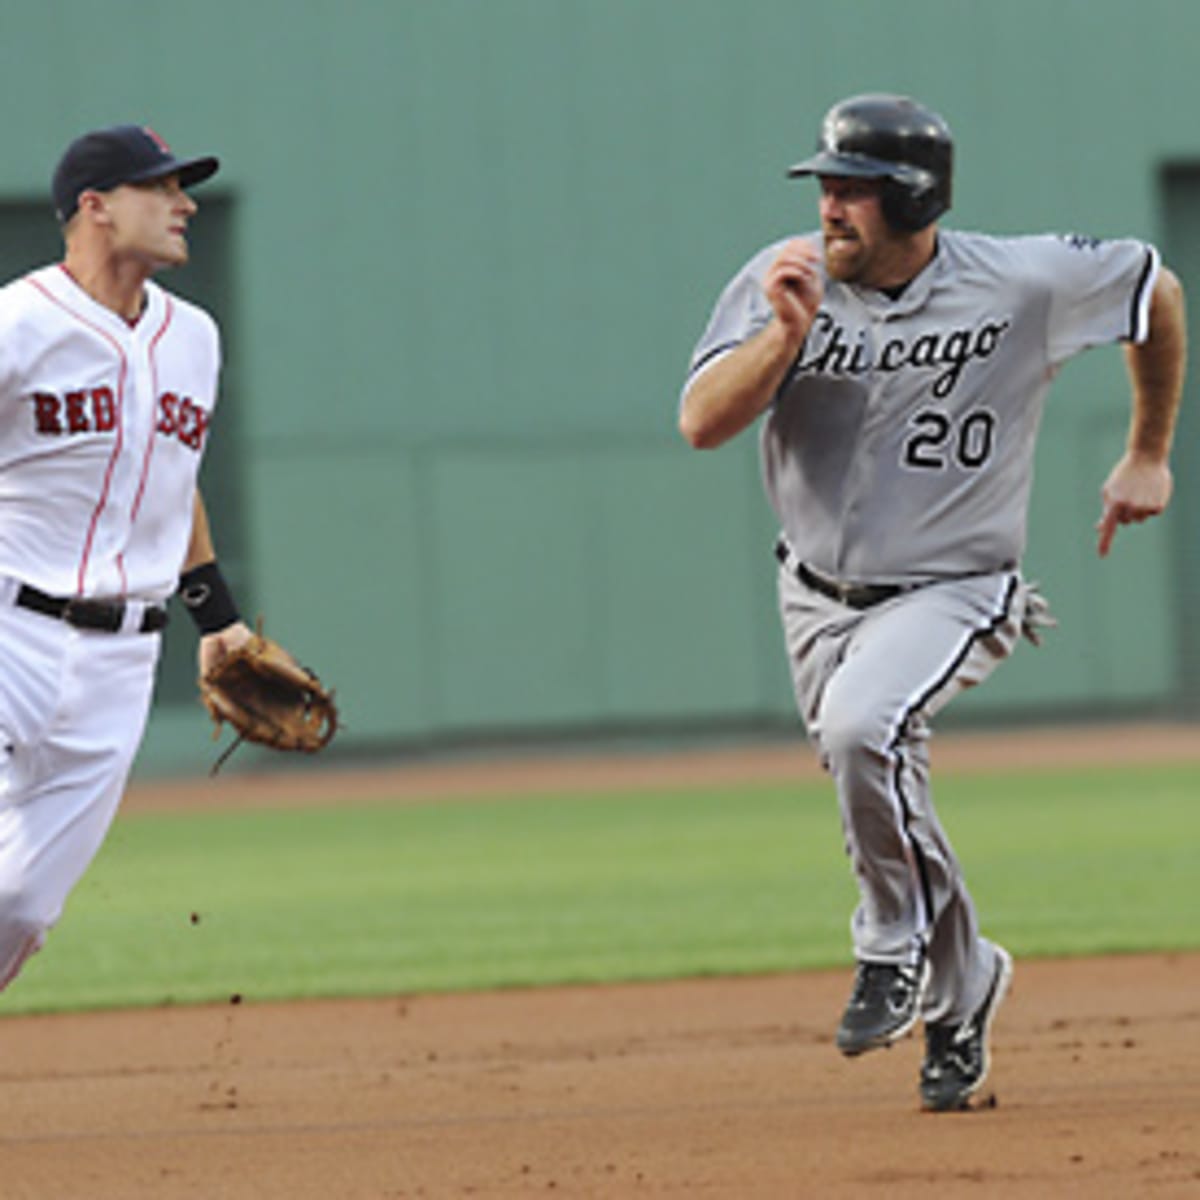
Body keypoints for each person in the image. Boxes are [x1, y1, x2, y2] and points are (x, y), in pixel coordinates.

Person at [678, 93, 1186, 1111]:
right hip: (816, 598)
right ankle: (965, 991)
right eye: (825, 186)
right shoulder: (782, 280)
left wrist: (1146, 452)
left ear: (914, 200)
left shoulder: (1023, 279)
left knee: (868, 733)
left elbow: (1155, 288)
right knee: (886, 782)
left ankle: (888, 943)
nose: (830, 207)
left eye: (853, 190)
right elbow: (700, 423)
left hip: (957, 586)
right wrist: (782, 341)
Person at [0, 125, 258, 994]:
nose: (184, 204)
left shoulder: (196, 338)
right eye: (162, 188)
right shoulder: (17, 323)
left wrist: (216, 619)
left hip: (123, 664)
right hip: (9, 629)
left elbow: (171, 476)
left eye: (184, 188)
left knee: (21, 909)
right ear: (96, 207)